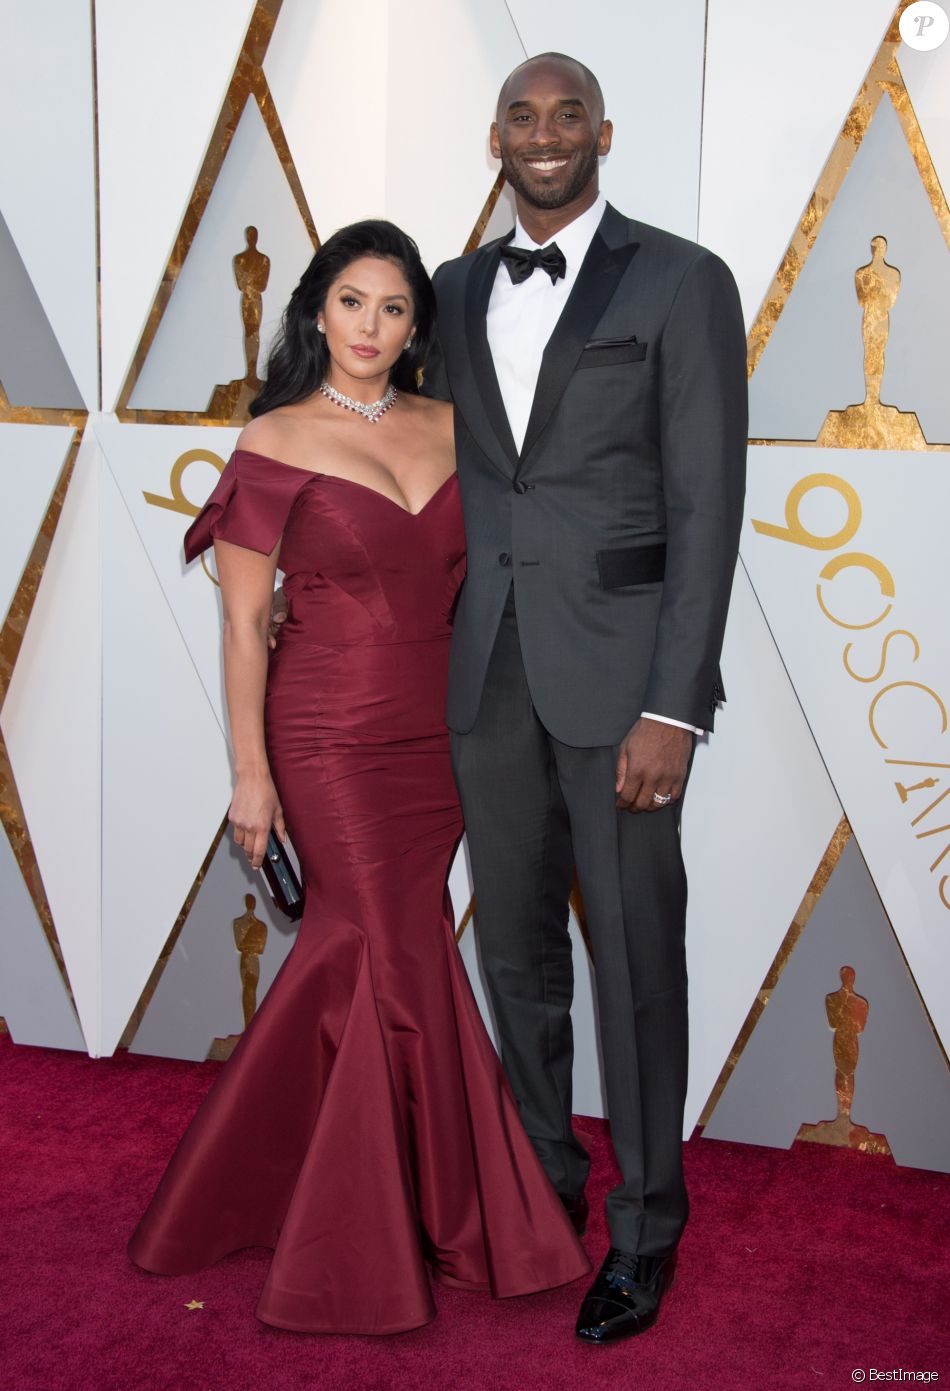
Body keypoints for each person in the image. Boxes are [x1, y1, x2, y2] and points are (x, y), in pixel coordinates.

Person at [127, 220, 589, 1335]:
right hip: (327, 730)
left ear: (416, 324)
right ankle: (405, 1222)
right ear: (314, 310)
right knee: (385, 939)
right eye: (350, 303)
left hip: (443, 730)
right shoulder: (274, 437)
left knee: (380, 946)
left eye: (392, 308)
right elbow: (243, 621)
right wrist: (251, 776)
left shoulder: (457, 425)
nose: (370, 328)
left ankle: (308, 1184)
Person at [423, 54, 748, 1344]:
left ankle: (647, 1224)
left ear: (602, 132)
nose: (544, 136)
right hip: (481, 672)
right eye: (522, 114)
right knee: (513, 954)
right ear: (492, 134)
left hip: (621, 688)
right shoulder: (449, 290)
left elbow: (703, 503)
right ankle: (543, 1182)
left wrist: (674, 704)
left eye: (567, 115)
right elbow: (415, 470)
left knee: (633, 962)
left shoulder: (680, 279)